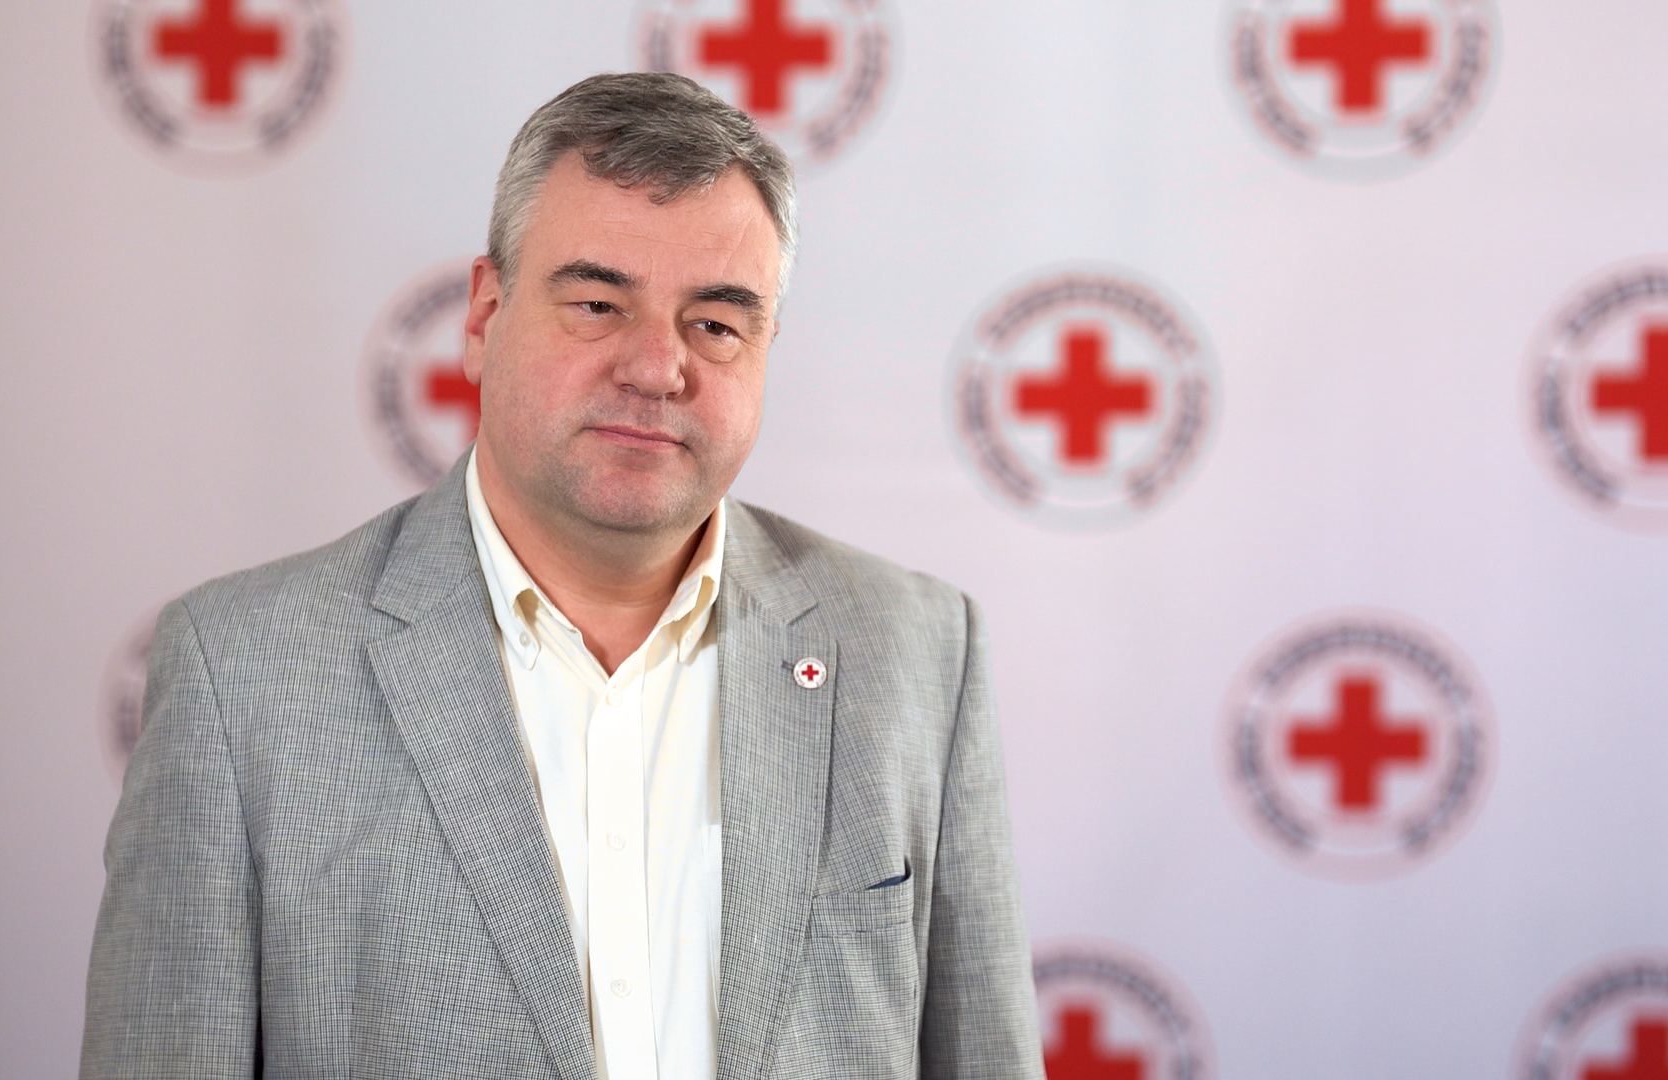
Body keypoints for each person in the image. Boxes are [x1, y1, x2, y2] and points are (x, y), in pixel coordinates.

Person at [81, 72, 1041, 1080]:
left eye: (716, 324)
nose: (656, 367)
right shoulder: (242, 676)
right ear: (484, 315)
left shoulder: (920, 655)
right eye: (597, 304)